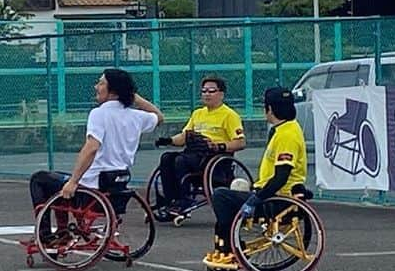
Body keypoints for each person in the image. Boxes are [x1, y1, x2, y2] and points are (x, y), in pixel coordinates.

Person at [28, 68, 164, 215]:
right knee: (58, 182)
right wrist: (135, 98)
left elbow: (92, 148)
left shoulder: (99, 113)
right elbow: (159, 117)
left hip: (92, 188)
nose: (96, 87)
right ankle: (61, 233)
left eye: (101, 83)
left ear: (113, 91)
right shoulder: (136, 117)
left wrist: (73, 181)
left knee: (40, 179)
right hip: (117, 185)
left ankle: (46, 235)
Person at [204, 86, 308, 267]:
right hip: (272, 194)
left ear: (270, 109)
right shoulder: (285, 128)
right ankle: (229, 244)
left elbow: (281, 177)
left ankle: (229, 247)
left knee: (221, 196)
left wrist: (255, 199)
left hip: (277, 200)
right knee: (235, 188)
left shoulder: (287, 135)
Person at [152, 75, 246, 218]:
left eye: (211, 91)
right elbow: (184, 136)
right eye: (204, 91)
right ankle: (171, 200)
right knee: (167, 158)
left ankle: (184, 200)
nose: (206, 94)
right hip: (193, 152)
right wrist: (168, 140)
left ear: (221, 94)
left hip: (213, 156)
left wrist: (219, 146)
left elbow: (240, 142)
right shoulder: (198, 113)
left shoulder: (230, 115)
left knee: (181, 161)